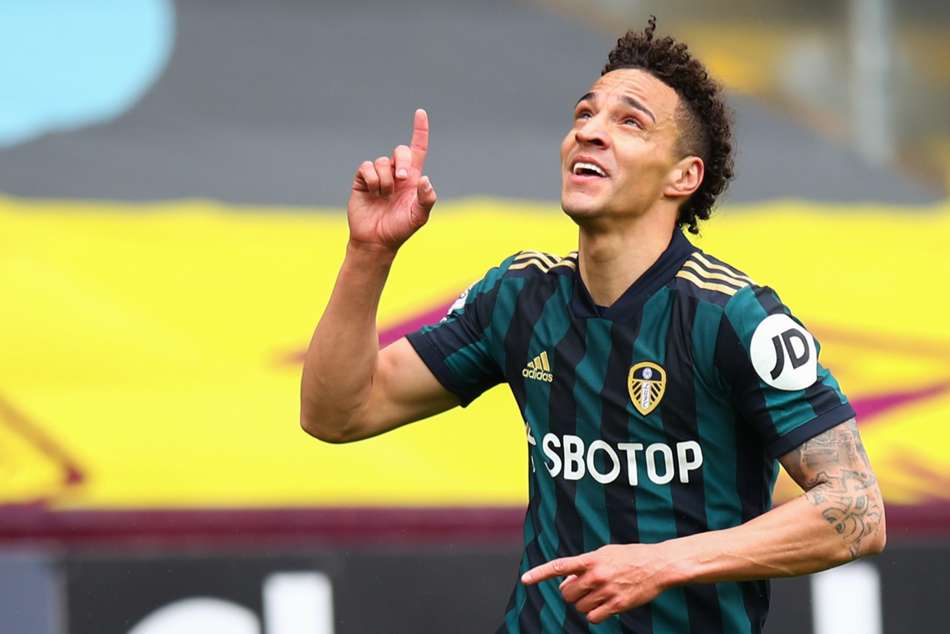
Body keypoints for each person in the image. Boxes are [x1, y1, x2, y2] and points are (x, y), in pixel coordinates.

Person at [299, 18, 885, 634]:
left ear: (683, 176)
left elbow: (857, 508)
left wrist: (660, 563)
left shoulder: (735, 318)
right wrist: (369, 253)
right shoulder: (517, 297)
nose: (590, 131)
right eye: (584, 114)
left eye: (630, 122)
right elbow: (337, 414)